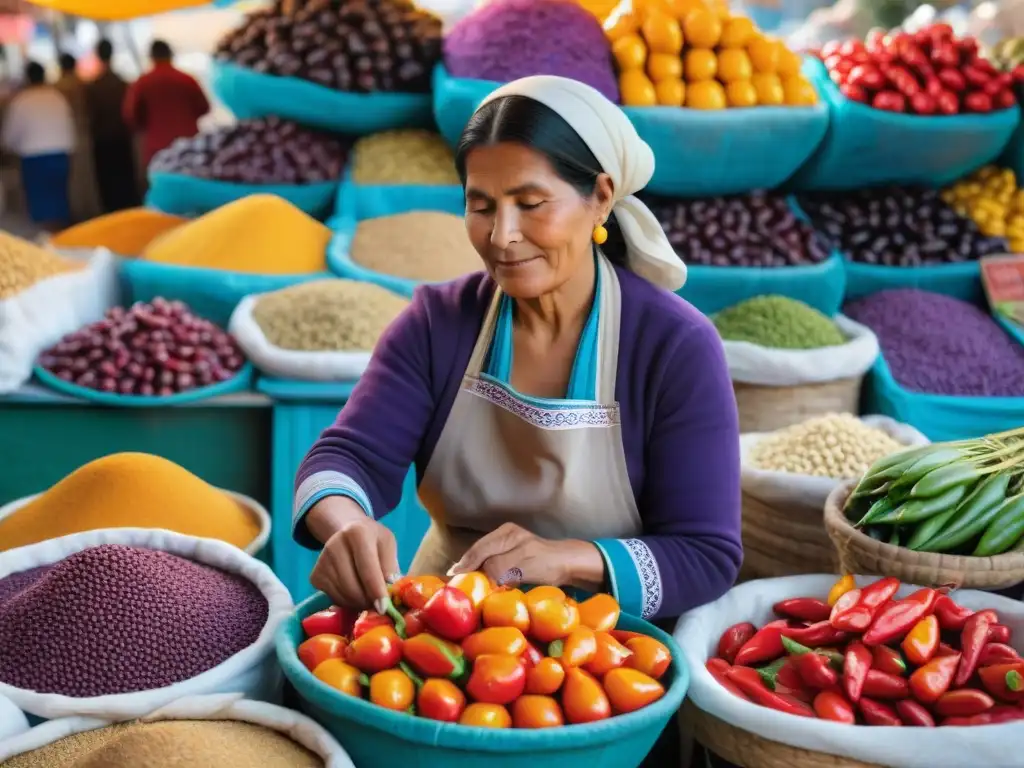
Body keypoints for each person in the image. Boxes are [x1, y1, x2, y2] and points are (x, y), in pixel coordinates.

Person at [292, 75, 743, 627]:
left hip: (608, 652)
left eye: (531, 203)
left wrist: (565, 559)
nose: (503, 235)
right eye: (481, 206)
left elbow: (705, 554)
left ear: (600, 198)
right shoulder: (438, 323)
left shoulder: (674, 346)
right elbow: (346, 458)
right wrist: (344, 524)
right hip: (447, 625)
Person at [1, 61, 75, 230]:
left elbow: (10, 136)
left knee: (42, 208)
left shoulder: (21, 101)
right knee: (60, 202)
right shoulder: (57, 97)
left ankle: (50, 244)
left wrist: (8, 148)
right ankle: (64, 238)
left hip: (34, 160)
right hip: (61, 155)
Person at [122, 39, 209, 168]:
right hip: (189, 145)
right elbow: (204, 107)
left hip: (157, 148)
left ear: (151, 58)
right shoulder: (187, 80)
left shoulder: (141, 83)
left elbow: (130, 116)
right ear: (170, 55)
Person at [85, 39, 139, 212]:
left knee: (107, 182)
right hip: (122, 137)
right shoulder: (123, 84)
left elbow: (90, 116)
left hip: (102, 139)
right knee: (125, 179)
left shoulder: (93, 87)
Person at [54, 52, 99, 222]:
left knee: (73, 178)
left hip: (64, 136)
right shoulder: (84, 85)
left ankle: (77, 211)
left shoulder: (57, 87)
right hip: (84, 133)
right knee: (88, 176)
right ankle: (90, 210)